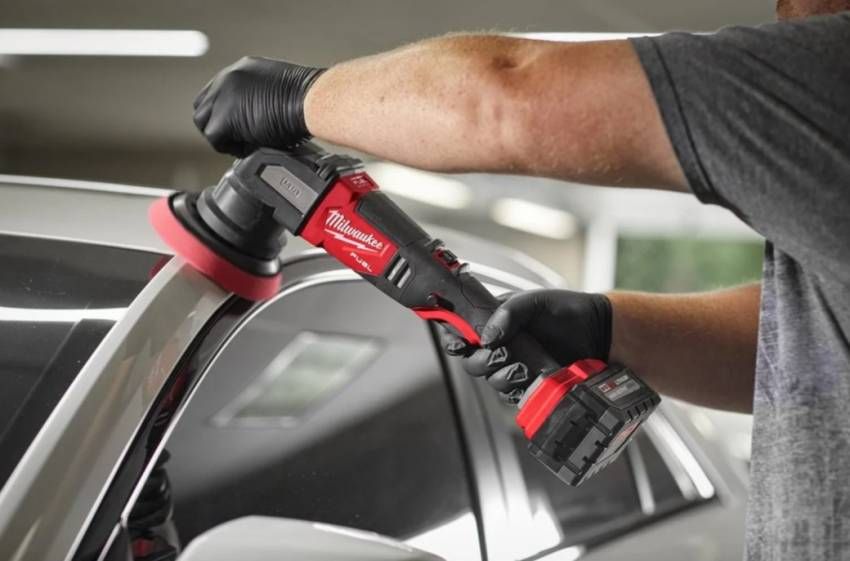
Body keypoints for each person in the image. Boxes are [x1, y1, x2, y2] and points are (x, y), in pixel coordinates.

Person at [191, 2, 850, 559]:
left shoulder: (832, 65)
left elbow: (504, 96)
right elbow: (809, 346)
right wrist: (609, 327)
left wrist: (301, 96)